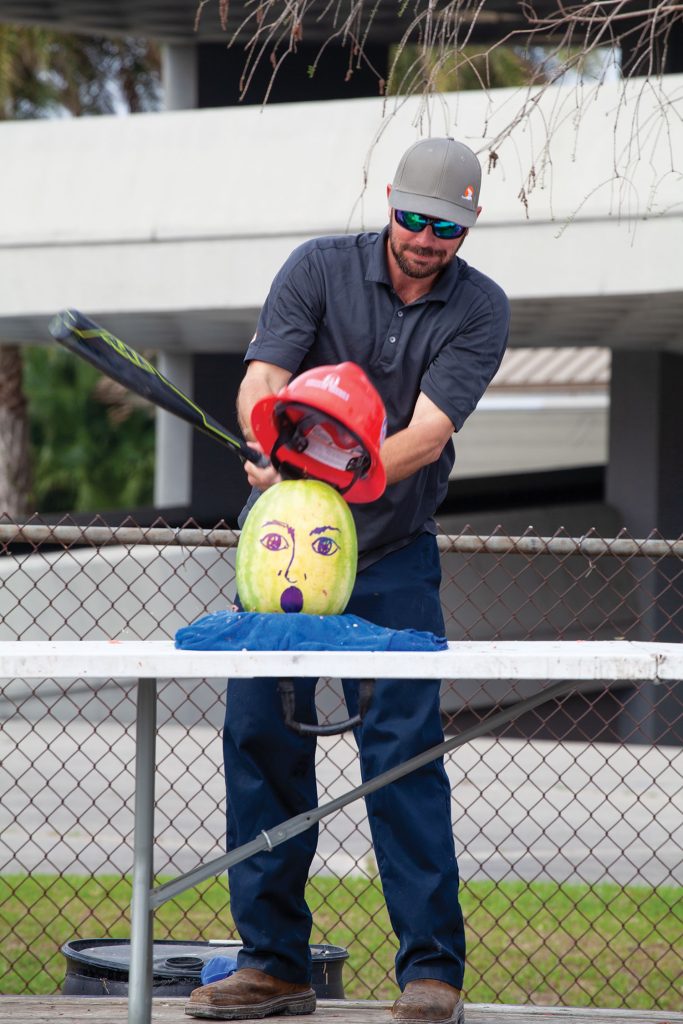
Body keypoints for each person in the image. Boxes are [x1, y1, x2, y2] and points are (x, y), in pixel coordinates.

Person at [185, 137, 510, 1023]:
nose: (423, 237)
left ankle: (429, 971)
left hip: (393, 557)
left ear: (466, 227)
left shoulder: (480, 310)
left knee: (404, 758)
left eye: (444, 227)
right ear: (389, 201)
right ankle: (274, 964)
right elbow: (264, 375)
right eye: (412, 217)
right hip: (282, 555)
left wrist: (332, 479)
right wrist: (269, 438)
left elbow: (429, 433)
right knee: (262, 746)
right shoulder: (315, 270)